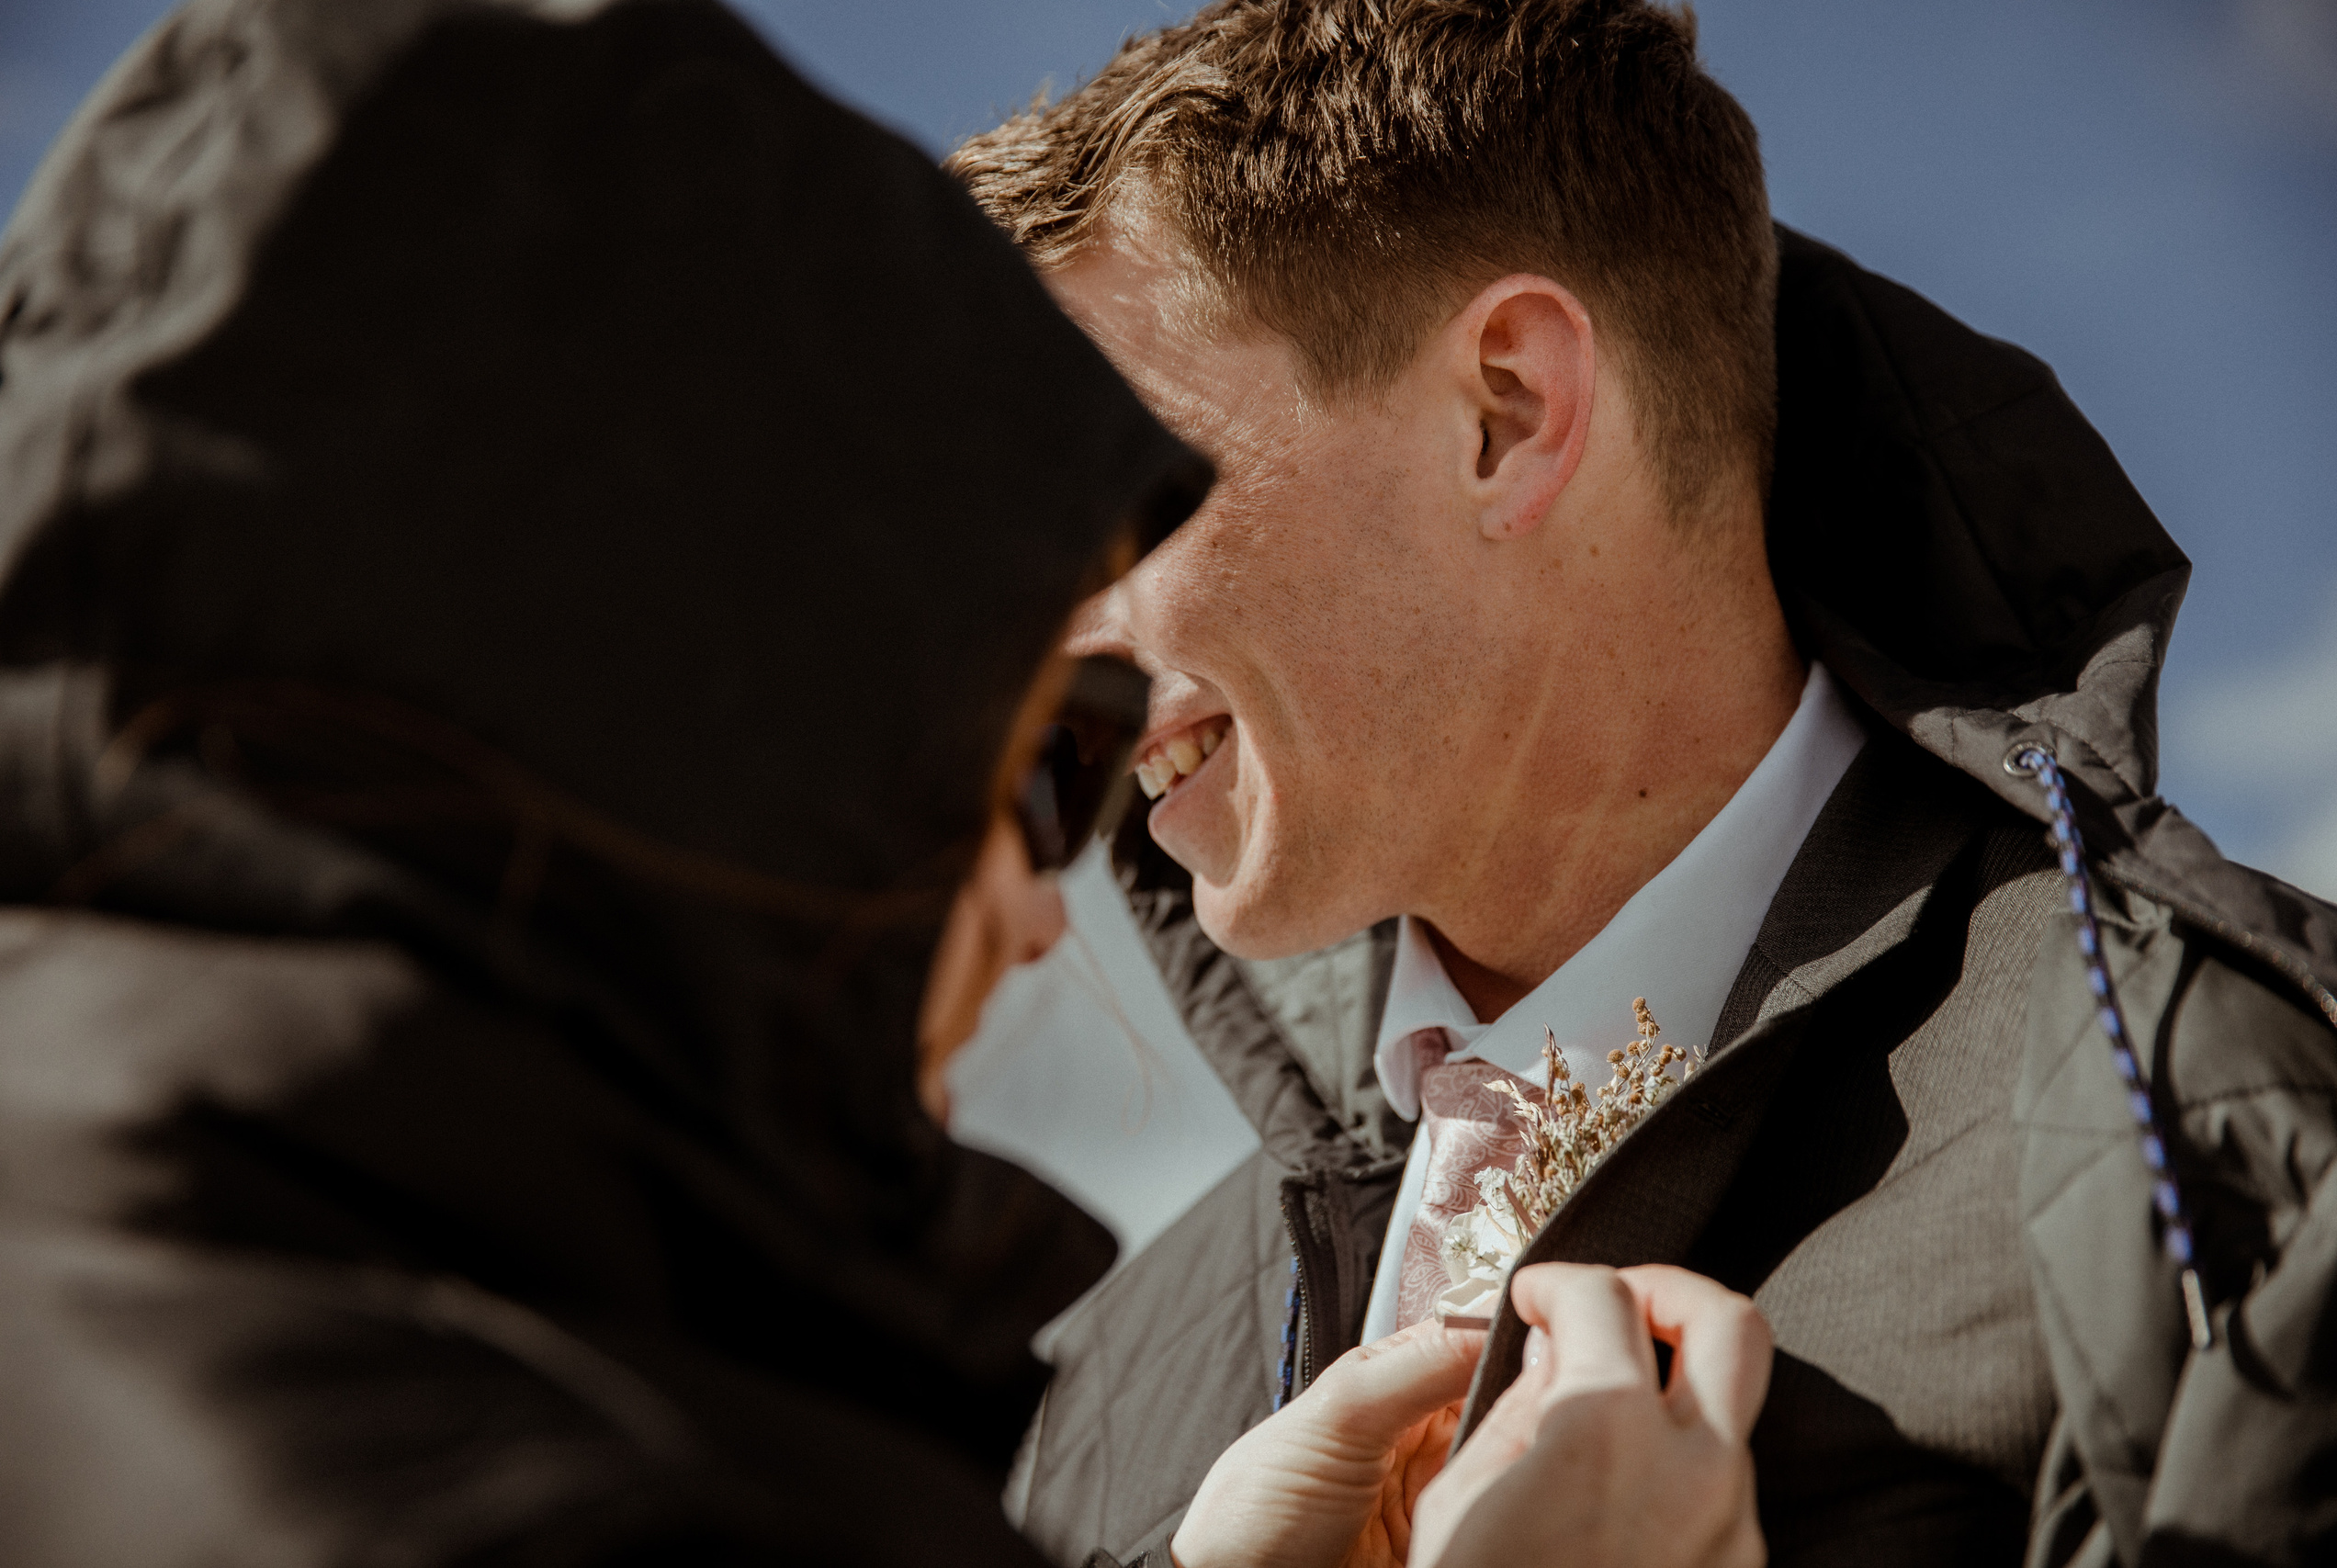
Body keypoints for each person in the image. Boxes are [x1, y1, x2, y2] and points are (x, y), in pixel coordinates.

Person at [0, 2, 1776, 1565]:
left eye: (1068, 742)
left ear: (1507, 413)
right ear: (696, 731)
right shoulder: (510, 1476)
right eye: (1002, 744)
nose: (1039, 899)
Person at [946, 2, 2337, 1564]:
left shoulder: (2224, 1132)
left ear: (1508, 413)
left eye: (1111, 497)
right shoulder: (1100, 1394)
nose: (1037, 647)